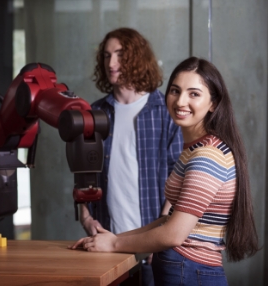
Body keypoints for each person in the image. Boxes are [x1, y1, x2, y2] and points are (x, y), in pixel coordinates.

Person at [71, 57, 260, 286]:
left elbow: (174, 234)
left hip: (190, 271)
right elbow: (166, 220)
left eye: (194, 94)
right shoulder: (195, 148)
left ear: (213, 103)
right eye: (175, 90)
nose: (180, 101)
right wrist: (109, 238)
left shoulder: (207, 156)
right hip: (184, 268)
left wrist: (113, 245)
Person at [79, 27, 183, 285]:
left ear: (137, 58)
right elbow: (82, 175)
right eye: (106, 55)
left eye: (119, 54)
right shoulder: (95, 113)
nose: (111, 63)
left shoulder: (165, 113)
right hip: (106, 246)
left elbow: (178, 180)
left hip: (153, 251)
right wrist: (86, 218)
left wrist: (155, 238)